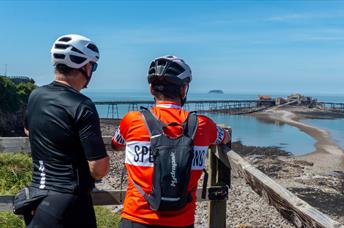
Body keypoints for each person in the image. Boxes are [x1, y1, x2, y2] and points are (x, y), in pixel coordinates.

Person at [111, 55, 231, 227]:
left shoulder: (132, 120)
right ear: (183, 90)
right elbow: (223, 137)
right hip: (181, 221)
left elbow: (116, 144)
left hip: (136, 218)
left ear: (151, 89)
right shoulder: (203, 124)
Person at [23, 34, 109, 227]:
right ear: (84, 67)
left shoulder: (36, 95)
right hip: (70, 204)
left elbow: (29, 130)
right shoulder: (82, 105)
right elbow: (98, 169)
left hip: (36, 198)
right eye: (93, 66)